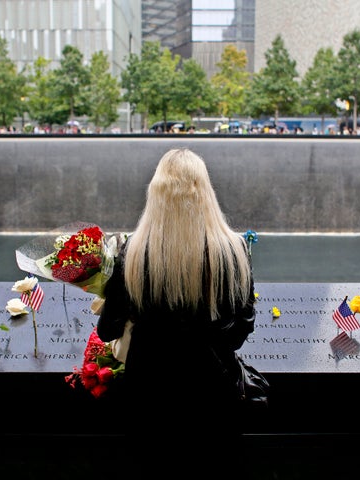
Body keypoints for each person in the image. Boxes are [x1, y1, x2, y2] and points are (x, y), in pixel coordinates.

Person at [97, 148, 258, 475]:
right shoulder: (234, 251)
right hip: (214, 398)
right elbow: (241, 331)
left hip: (150, 399)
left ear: (156, 195)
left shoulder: (133, 253)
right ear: (206, 192)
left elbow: (107, 330)